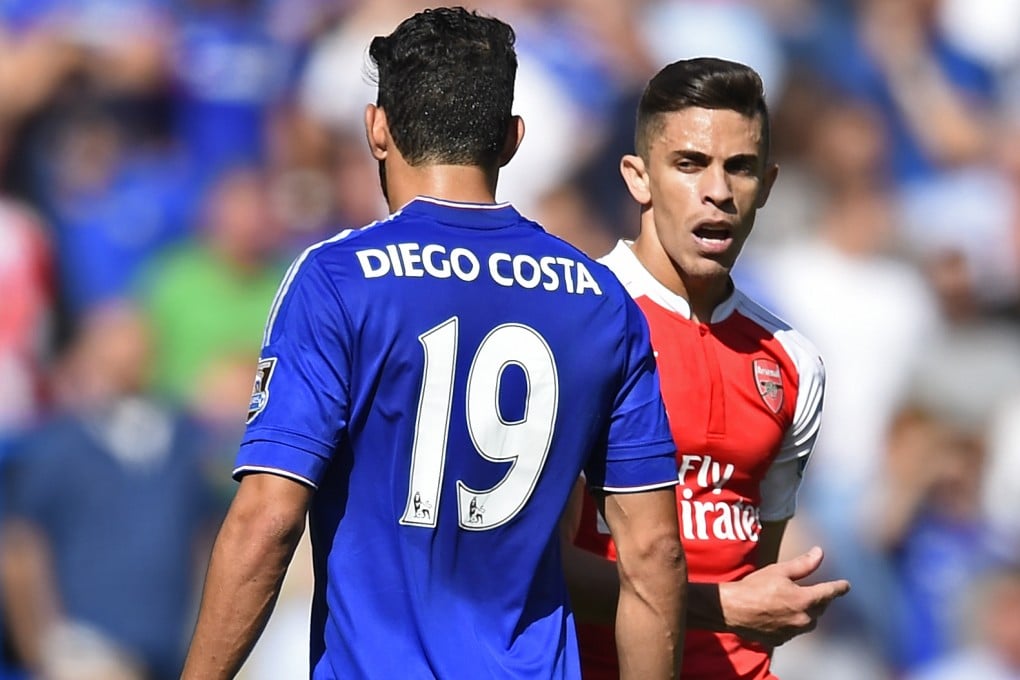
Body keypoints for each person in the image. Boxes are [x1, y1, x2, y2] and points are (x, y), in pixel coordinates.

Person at [181, 8, 686, 680]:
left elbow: (268, 521)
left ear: (377, 129)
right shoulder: (601, 301)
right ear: (511, 139)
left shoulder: (338, 279)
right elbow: (653, 555)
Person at [564, 57, 850, 680]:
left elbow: (760, 577)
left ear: (767, 186)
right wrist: (720, 607)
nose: (718, 191)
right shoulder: (575, 321)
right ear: (639, 178)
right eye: (689, 165)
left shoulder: (793, 360)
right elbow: (534, 566)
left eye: (740, 168)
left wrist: (748, 609)